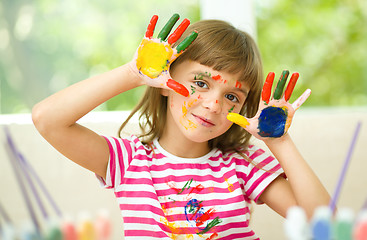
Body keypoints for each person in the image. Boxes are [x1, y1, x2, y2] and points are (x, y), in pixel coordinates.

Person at [32, 14, 330, 239]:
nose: (214, 105)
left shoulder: (244, 163)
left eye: (231, 97)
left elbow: (324, 225)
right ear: (165, 82)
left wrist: (280, 143)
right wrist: (133, 73)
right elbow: (47, 119)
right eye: (200, 83)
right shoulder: (129, 161)